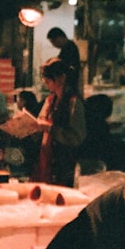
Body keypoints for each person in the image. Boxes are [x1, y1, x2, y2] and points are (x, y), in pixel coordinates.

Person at [32, 57, 87, 186]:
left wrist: (50, 128)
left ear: (62, 78)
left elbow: (76, 137)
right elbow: (39, 123)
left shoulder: (74, 103)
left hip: (64, 165)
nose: (45, 82)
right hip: (46, 161)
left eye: (49, 78)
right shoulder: (50, 100)